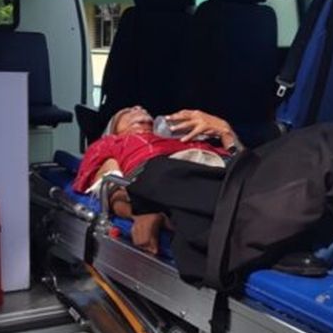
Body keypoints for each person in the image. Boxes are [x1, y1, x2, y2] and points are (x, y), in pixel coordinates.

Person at [72, 105, 240, 254]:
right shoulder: (112, 143)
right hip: (178, 181)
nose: (139, 108)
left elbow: (241, 159)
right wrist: (138, 212)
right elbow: (110, 184)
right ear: (113, 129)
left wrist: (227, 133)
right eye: (128, 111)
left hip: (231, 175)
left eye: (143, 110)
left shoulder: (187, 138)